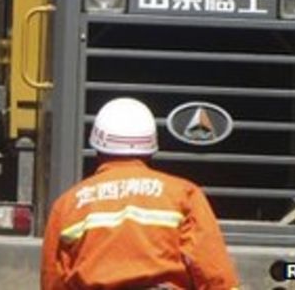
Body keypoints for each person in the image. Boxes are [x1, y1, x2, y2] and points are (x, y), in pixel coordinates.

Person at [40, 98, 240, 290]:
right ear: (151, 149)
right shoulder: (183, 194)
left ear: (97, 148)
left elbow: (53, 279)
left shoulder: (68, 204)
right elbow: (214, 272)